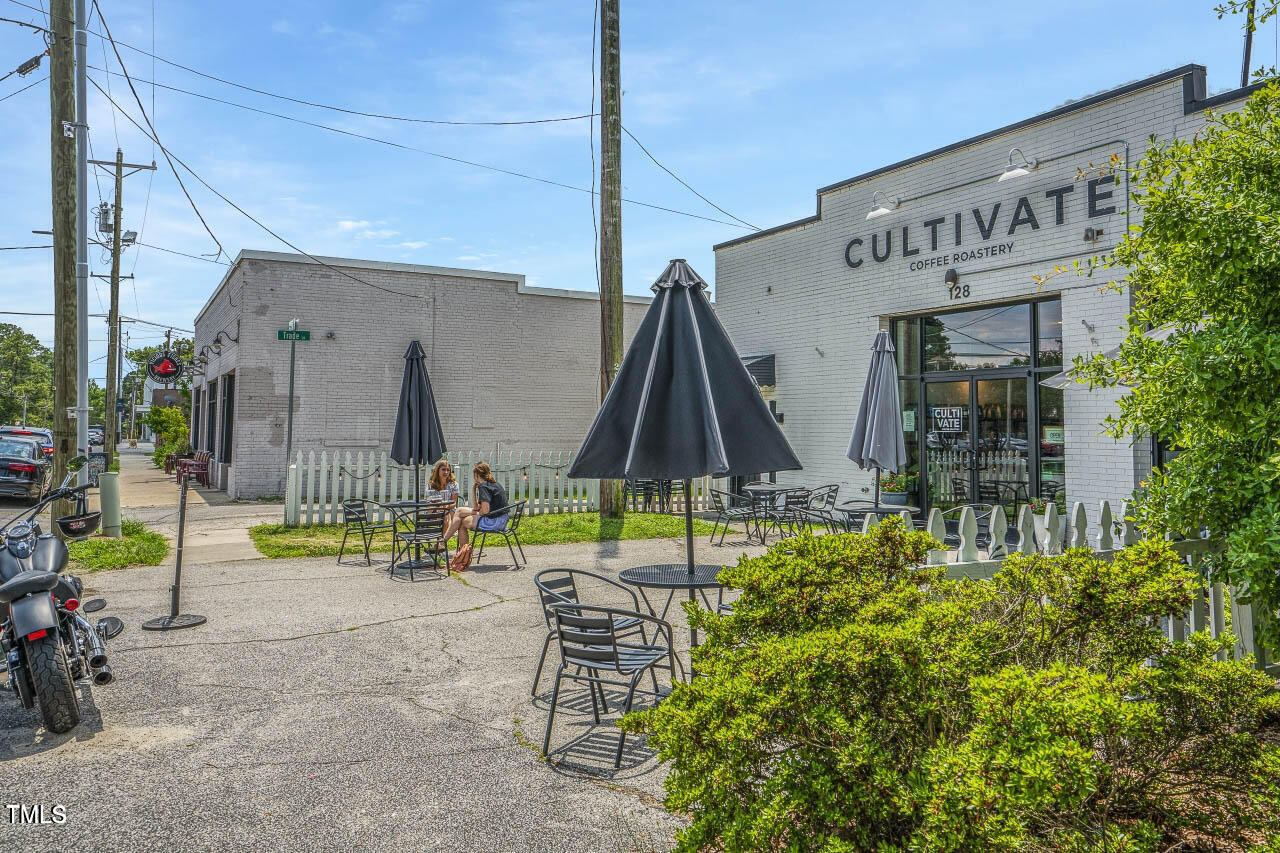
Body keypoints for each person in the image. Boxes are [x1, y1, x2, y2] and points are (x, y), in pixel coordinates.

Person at [444, 461, 508, 549]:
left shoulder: (484, 486)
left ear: (476, 475)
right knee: (459, 510)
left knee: (462, 522)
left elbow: (484, 511)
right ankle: (447, 544)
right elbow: (476, 508)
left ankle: (461, 553)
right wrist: (473, 490)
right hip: (502, 519)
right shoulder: (494, 484)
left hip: (495, 521)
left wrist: (475, 513)